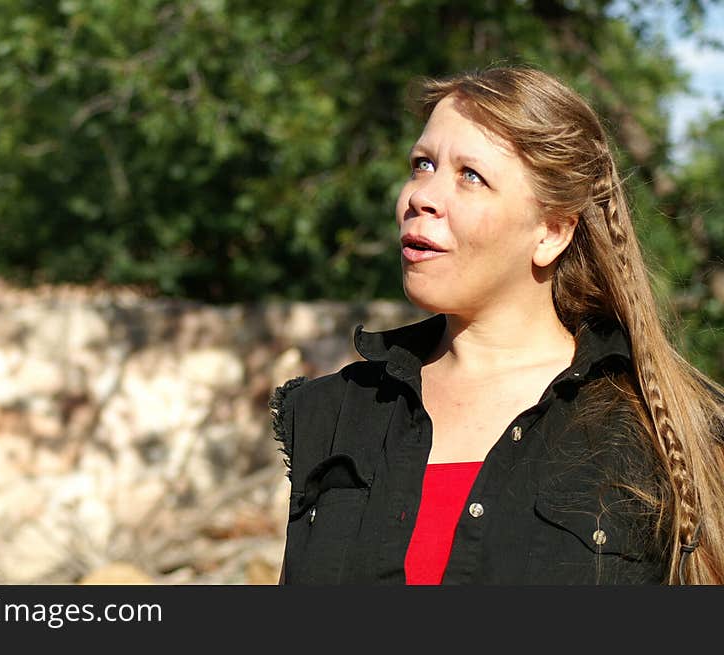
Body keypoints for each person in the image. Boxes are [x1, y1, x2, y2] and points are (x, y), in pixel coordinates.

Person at [269, 65, 724, 585]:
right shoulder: (334, 413)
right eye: (422, 164)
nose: (421, 196)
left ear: (552, 231)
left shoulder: (659, 424)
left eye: (471, 176)